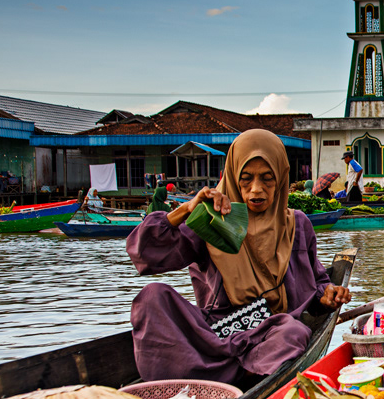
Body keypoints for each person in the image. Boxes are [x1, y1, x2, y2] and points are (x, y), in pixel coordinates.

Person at [127, 129, 351, 383]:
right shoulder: (212, 219)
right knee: (151, 297)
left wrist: (328, 294)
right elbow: (145, 255)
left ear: (280, 178)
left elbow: (317, 281)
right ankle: (238, 372)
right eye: (246, 179)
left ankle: (210, 373)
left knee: (293, 332)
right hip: (214, 334)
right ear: (232, 177)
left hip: (272, 332)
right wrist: (187, 210)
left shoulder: (297, 225)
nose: (256, 190)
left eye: (267, 179)